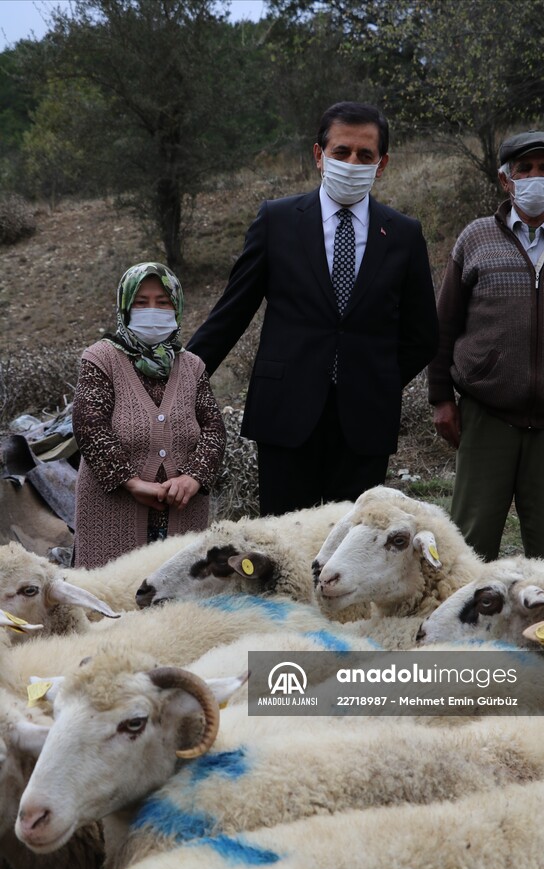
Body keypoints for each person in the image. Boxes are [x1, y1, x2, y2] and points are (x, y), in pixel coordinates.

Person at [187, 101, 439, 516]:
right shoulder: (277, 220)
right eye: (341, 151)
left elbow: (423, 334)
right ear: (319, 155)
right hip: (285, 413)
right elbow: (232, 312)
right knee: (284, 542)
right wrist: (178, 382)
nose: (352, 163)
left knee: (353, 545)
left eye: (365, 155)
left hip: (365, 422)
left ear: (382, 164)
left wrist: (376, 378)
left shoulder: (403, 234)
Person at [428, 130, 544, 561]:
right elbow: (444, 325)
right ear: (505, 179)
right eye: (524, 169)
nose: (535, 177)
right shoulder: (475, 239)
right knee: (471, 550)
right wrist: (441, 398)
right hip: (486, 416)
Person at [72, 262, 226, 568]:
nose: (152, 310)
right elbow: (90, 426)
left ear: (176, 307)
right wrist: (131, 482)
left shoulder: (193, 366)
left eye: (162, 302)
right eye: (141, 302)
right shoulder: (101, 358)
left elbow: (214, 430)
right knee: (111, 592)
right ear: (126, 307)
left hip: (182, 516)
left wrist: (193, 478)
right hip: (113, 512)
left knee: (175, 591)